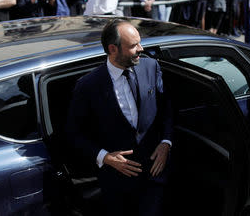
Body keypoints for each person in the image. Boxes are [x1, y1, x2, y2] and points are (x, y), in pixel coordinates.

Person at [66, 20, 172, 216]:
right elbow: (73, 134)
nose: (141, 49)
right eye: (133, 46)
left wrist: (166, 142)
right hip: (117, 185)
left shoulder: (151, 66)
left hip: (155, 176)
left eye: (139, 42)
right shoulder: (88, 86)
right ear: (113, 49)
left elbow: (165, 109)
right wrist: (105, 157)